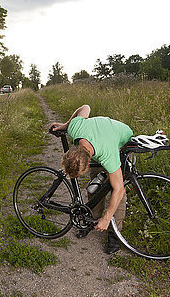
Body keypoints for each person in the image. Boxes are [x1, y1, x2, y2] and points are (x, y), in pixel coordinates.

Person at [50, 104, 133, 254]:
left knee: (118, 193)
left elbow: (119, 189)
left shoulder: (108, 155)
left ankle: (114, 234)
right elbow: (85, 108)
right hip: (101, 137)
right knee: (96, 184)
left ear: (87, 164)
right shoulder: (75, 129)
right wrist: (65, 125)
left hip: (122, 140)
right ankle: (91, 219)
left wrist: (107, 217)